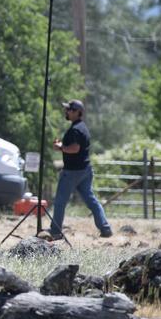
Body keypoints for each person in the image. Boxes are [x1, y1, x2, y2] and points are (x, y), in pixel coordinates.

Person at [48, 99, 113, 240]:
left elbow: (75, 148)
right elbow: (76, 147)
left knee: (60, 201)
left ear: (78, 112)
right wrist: (62, 145)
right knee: (91, 200)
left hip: (72, 172)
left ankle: (55, 231)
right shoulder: (81, 127)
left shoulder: (76, 129)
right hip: (85, 170)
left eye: (69, 110)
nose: (66, 111)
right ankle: (105, 228)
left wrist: (60, 148)